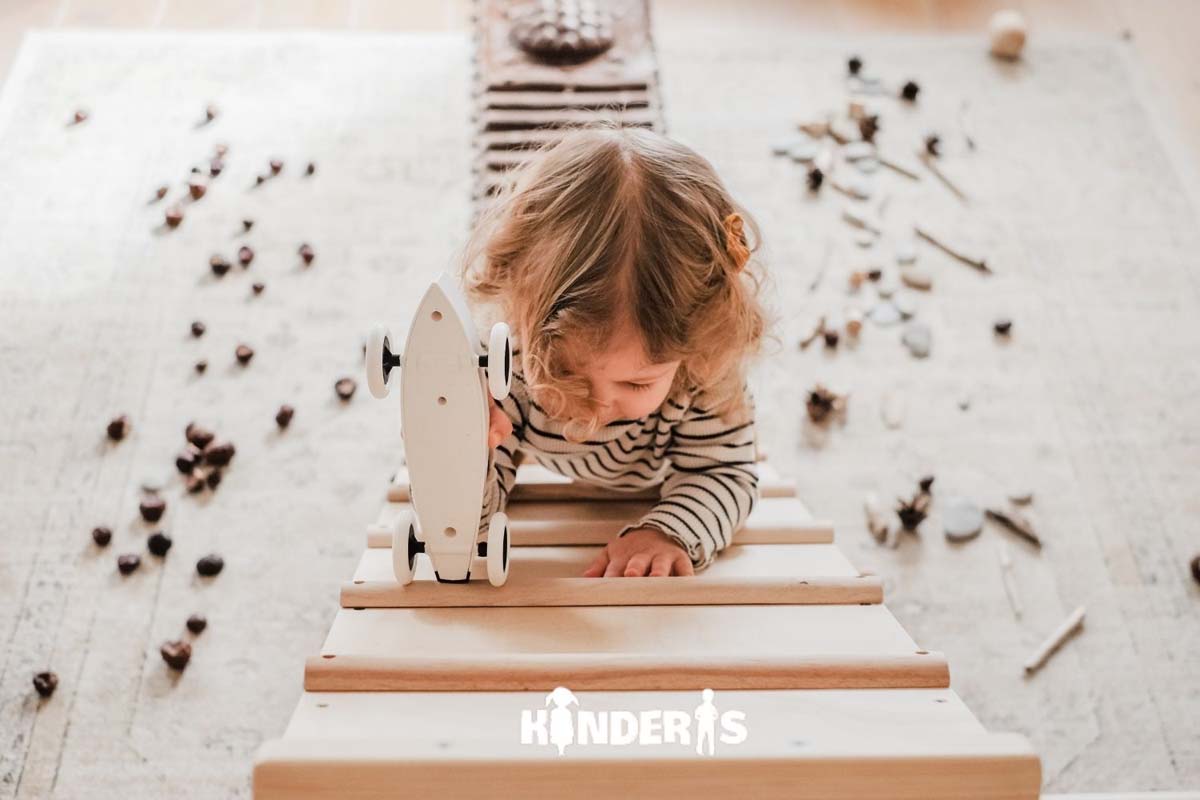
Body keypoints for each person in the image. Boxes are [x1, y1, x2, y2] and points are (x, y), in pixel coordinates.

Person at [461, 122, 775, 576]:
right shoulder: (509, 359)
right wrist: (468, 452)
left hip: (655, 484)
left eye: (637, 381)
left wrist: (670, 532)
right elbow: (467, 521)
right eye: (565, 370)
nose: (599, 404)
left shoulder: (704, 369)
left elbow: (725, 474)